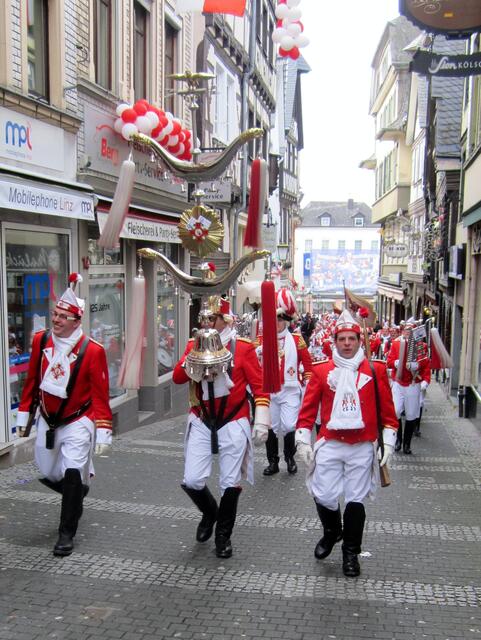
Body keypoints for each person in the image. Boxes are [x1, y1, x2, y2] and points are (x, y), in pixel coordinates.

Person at [295, 310, 398, 577]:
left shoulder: (375, 369)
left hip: (362, 445)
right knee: (323, 494)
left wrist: (388, 443)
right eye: (342, 339)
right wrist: (303, 440)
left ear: (359, 340)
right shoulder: (321, 371)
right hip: (330, 442)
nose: (347, 343)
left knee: (355, 500)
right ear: (335, 341)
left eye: (352, 338)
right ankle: (332, 531)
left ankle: (351, 553)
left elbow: (388, 412)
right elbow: (308, 409)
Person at [16, 274, 112, 557]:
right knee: (48, 471)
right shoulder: (41, 340)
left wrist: (103, 429)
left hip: (78, 420)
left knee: (71, 470)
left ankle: (66, 533)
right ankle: (76, 492)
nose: (56, 320)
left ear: (76, 321)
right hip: (48, 419)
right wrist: (24, 415)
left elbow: (100, 394)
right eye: (54, 314)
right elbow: (32, 381)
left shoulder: (93, 351)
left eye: (62, 316)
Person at [172, 297, 270, 559]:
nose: (206, 323)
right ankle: (209, 513)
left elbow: (260, 387)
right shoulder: (193, 344)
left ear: (224, 320)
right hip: (201, 418)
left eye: (212, 318)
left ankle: (223, 536)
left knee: (230, 481)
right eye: (203, 318)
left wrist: (262, 419)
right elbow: (178, 378)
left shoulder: (243, 348)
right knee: (192, 479)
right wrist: (192, 356)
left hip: (233, 419)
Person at [256, 288, 313, 476]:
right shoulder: (261, 339)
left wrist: (308, 385)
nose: (277, 323)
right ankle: (273, 461)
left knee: (289, 425)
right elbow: (253, 365)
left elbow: (308, 365)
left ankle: (290, 457)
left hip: (290, 389)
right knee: (270, 426)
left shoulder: (296, 339)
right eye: (274, 319)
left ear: (286, 321)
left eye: (280, 320)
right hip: (269, 390)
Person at [386, 320, 430, 454]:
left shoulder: (421, 346)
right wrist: (396, 363)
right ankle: (398, 440)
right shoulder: (396, 344)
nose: (407, 333)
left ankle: (407, 444)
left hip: (412, 383)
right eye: (406, 330)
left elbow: (426, 364)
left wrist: (424, 378)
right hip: (398, 382)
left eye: (410, 331)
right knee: (396, 411)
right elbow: (389, 362)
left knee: (411, 414)